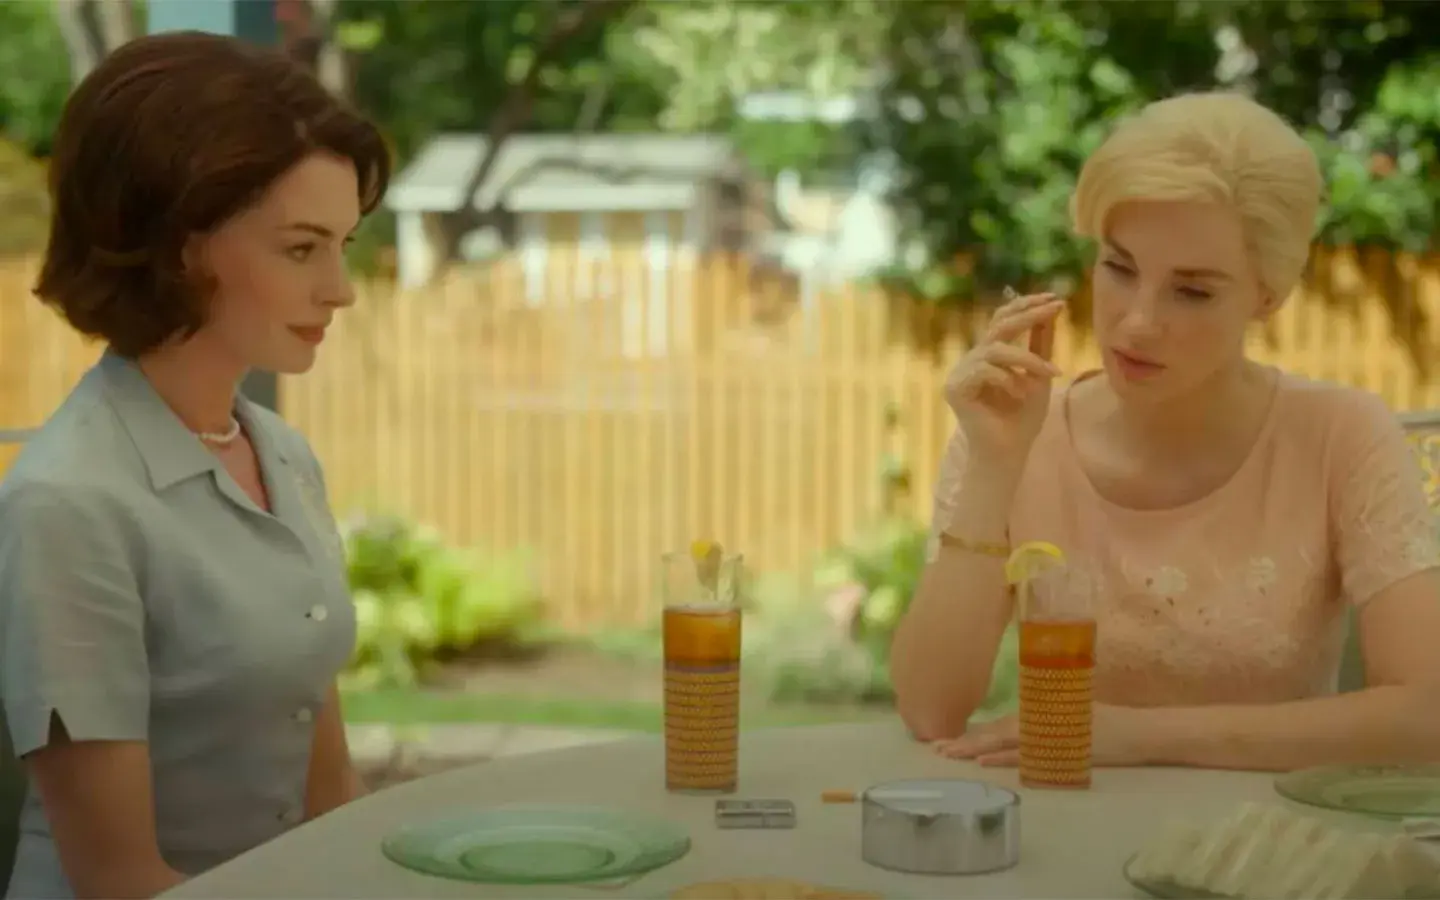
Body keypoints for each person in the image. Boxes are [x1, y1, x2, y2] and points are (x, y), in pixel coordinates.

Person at [890, 91, 1440, 772]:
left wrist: (1140, 738)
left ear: (1267, 295)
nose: (1137, 322)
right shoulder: (1015, 430)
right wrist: (994, 468)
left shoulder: (1343, 434)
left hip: (1265, 832)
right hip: (1066, 821)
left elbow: (1426, 717)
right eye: (1119, 268)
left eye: (1193, 291)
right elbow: (930, 711)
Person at [0, 31, 390, 899]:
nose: (342, 289)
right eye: (302, 248)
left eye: (345, 244)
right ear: (181, 247)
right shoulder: (69, 503)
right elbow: (120, 881)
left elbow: (330, 799)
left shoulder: (283, 455)